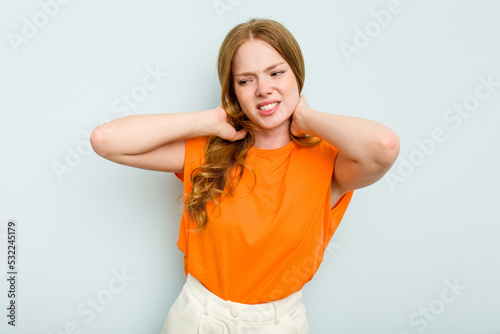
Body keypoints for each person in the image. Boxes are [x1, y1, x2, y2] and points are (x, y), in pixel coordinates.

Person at [90, 18, 399, 334]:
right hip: (198, 317)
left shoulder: (328, 160)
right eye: (246, 80)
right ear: (233, 90)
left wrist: (307, 118)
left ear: (297, 74)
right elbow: (106, 140)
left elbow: (384, 146)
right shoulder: (209, 150)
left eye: (276, 73)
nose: (264, 89)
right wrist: (209, 119)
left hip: (280, 323)